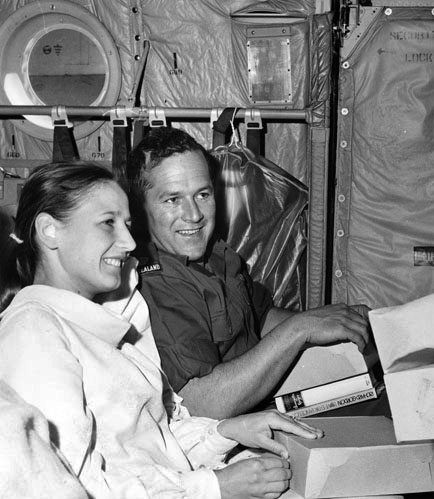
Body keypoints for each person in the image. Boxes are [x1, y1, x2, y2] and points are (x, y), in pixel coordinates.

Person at [0, 161, 324, 499]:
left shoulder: (102, 319)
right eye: (108, 224)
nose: (128, 242)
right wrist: (216, 487)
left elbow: (148, 445)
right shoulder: (33, 333)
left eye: (127, 224)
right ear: (50, 231)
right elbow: (74, 487)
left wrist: (224, 432)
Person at [125, 127, 372, 419]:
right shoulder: (157, 286)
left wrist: (336, 322)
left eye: (202, 195)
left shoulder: (214, 254)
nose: (194, 215)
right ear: (140, 210)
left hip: (261, 401)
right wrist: (301, 329)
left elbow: (261, 317)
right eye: (173, 200)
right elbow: (202, 404)